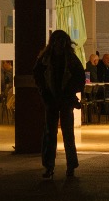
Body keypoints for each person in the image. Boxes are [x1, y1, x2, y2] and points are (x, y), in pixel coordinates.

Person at [33, 29, 86, 178]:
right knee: (65, 134)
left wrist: (44, 92)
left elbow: (37, 75)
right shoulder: (71, 59)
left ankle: (50, 166)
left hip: (55, 99)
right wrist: (71, 92)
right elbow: (80, 78)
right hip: (62, 99)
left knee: (51, 134)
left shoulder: (45, 58)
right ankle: (69, 166)